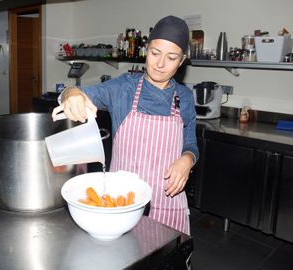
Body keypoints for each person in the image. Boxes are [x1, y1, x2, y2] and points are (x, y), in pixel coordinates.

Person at [52, 15, 198, 235]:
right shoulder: (124, 88)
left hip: (167, 203)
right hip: (122, 206)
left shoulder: (184, 97)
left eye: (171, 57)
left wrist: (187, 160)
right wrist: (72, 94)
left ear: (182, 60)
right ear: (146, 49)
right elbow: (77, 94)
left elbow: (191, 144)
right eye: (155, 53)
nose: (160, 64)